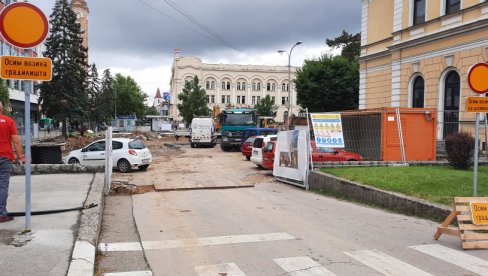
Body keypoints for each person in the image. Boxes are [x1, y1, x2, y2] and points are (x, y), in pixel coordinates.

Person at [0, 102, 25, 223]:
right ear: (2, 108)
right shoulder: (9, 121)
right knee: (3, 185)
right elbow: (16, 141)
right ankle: (1, 214)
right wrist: (20, 157)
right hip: (5, 156)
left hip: (5, 156)